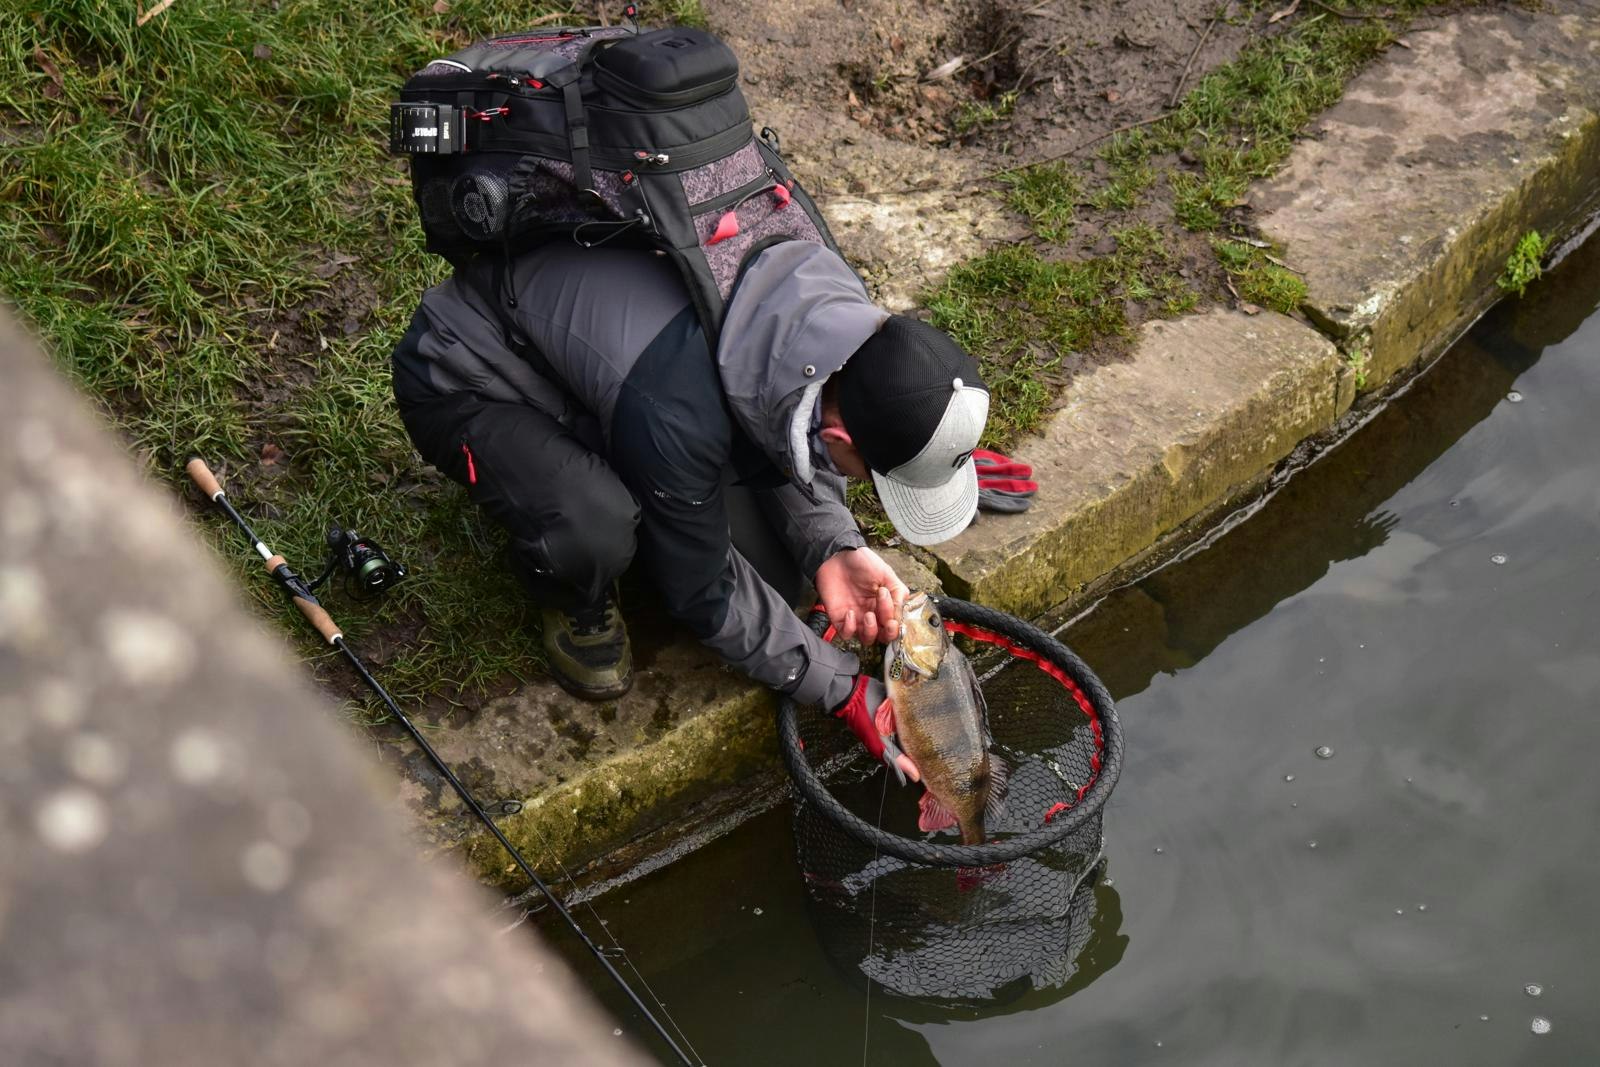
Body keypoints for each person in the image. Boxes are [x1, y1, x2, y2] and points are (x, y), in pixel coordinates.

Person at [390, 238, 989, 781]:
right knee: (595, 528)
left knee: (781, 583)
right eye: (876, 477)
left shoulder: (848, 330)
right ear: (843, 442)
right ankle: (574, 595)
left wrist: (835, 547)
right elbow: (705, 591)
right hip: (470, 373)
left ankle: (631, 469)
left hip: (633, 379)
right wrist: (840, 689)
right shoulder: (675, 414)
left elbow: (779, 418)